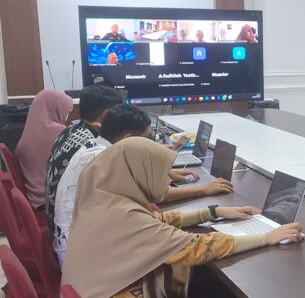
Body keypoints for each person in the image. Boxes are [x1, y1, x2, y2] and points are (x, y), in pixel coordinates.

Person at [59, 138, 303, 298]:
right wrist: (268, 237)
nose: (167, 181)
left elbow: (157, 221)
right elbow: (195, 248)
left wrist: (213, 212)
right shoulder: (122, 215)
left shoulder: (105, 201)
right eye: (161, 174)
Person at [52, 105, 232, 266]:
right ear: (128, 139)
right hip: (85, 262)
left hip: (78, 249)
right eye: (147, 139)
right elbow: (159, 195)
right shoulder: (104, 160)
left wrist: (167, 173)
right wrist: (204, 189)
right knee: (178, 257)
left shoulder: (95, 148)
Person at [45, 85, 123, 227]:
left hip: (55, 215)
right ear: (106, 115)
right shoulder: (94, 146)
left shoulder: (70, 129)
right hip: (72, 227)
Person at [16, 89, 74, 209]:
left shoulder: (29, 131)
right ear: (55, 108)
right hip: (52, 201)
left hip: (35, 198)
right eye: (66, 111)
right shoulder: (60, 132)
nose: (66, 116)